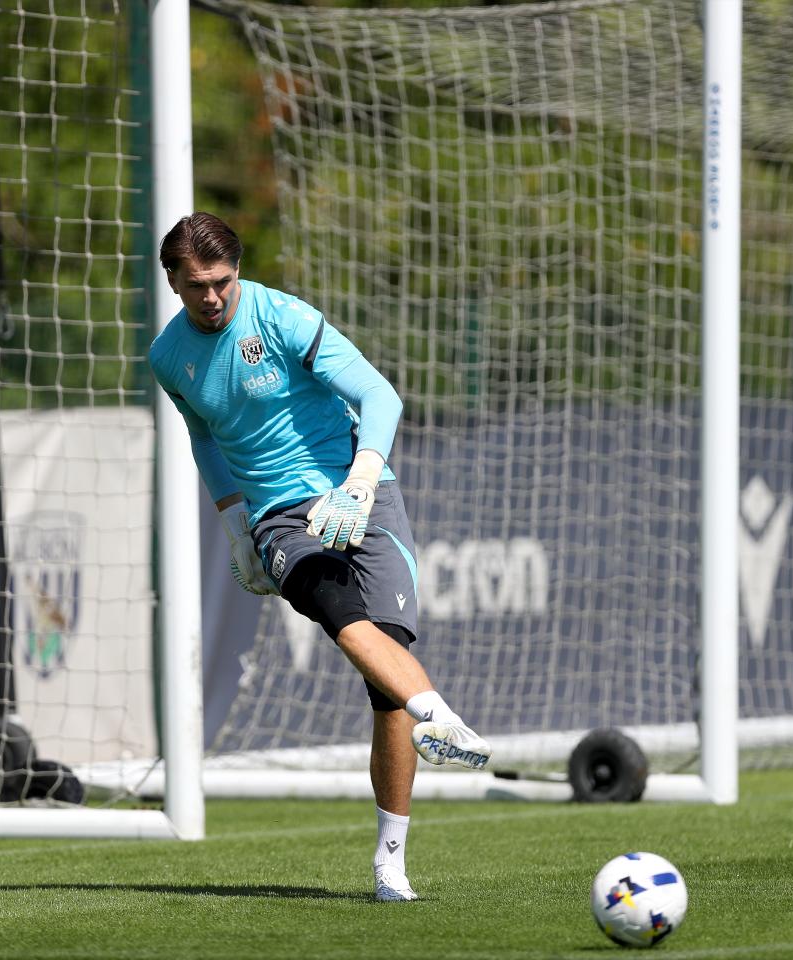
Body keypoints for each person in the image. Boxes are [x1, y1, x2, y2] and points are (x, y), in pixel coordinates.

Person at [149, 212, 491, 902]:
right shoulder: (168, 358)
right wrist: (235, 523)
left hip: (363, 491)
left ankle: (390, 863)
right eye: (196, 286)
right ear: (174, 283)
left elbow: (379, 395)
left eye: (221, 282)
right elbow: (205, 438)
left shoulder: (283, 318)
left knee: (387, 684)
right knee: (337, 612)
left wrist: (360, 483)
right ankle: (440, 717)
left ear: (237, 272)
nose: (211, 297)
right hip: (279, 518)